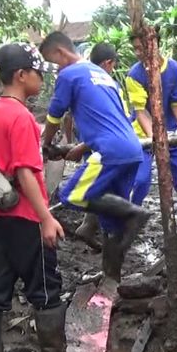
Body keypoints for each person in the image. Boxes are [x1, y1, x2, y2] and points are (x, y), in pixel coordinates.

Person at [0, 43, 82, 352]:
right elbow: (25, 172)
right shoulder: (20, 116)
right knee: (45, 283)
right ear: (21, 75)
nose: (41, 79)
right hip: (24, 216)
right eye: (38, 73)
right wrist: (46, 218)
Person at [40, 32, 148, 283]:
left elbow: (55, 116)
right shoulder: (106, 78)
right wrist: (82, 146)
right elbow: (115, 119)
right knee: (111, 224)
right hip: (131, 149)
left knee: (73, 195)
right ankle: (112, 277)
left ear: (60, 53)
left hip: (109, 151)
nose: (56, 69)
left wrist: (45, 144)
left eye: (54, 62)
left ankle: (135, 213)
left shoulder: (69, 75)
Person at [127, 31, 177, 242]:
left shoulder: (175, 70)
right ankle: (130, 225)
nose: (138, 53)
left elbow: (176, 106)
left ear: (156, 45)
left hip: (170, 134)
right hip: (144, 135)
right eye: (136, 49)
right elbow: (141, 112)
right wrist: (155, 139)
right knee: (140, 181)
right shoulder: (134, 75)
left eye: (142, 48)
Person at [73, 42, 132, 249]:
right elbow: (120, 119)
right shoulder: (109, 83)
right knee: (103, 186)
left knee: (97, 183)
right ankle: (103, 230)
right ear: (108, 63)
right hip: (106, 145)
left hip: (89, 140)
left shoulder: (82, 79)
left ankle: (89, 226)